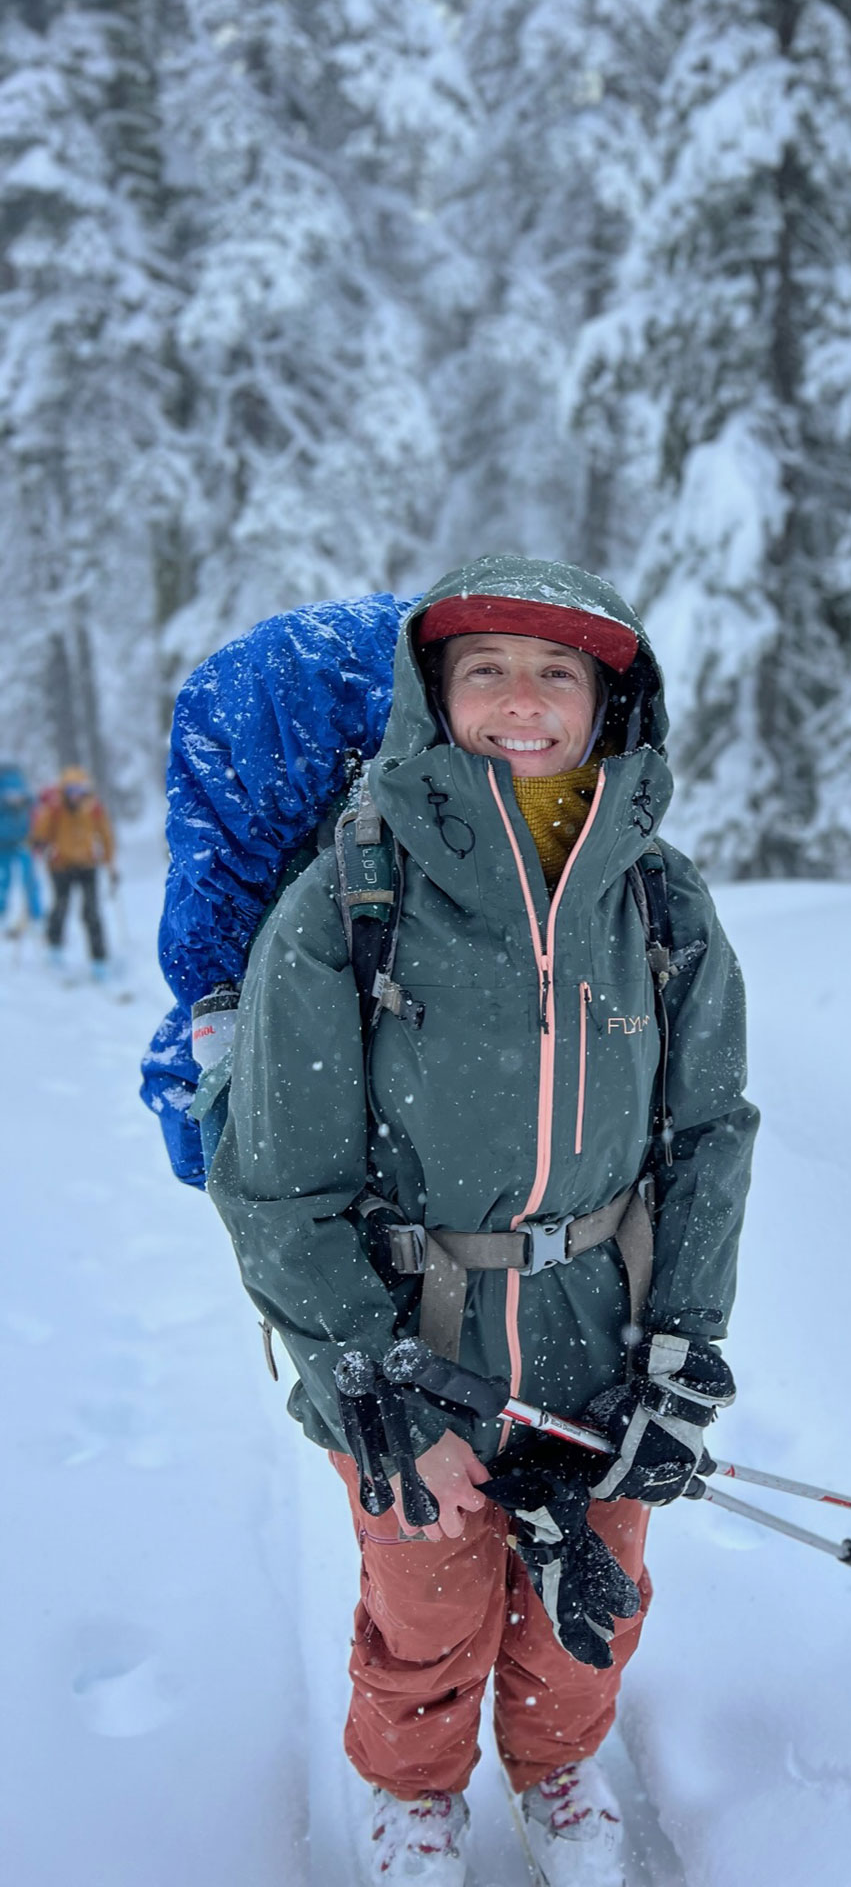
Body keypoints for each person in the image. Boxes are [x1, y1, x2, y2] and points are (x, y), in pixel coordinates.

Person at [207, 557, 757, 1887]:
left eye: (556, 672)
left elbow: (706, 1138)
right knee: (425, 1606)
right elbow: (276, 1181)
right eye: (486, 670)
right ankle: (412, 1789)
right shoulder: (351, 902)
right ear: (431, 698)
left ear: (605, 705)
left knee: (592, 1603)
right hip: (409, 1352)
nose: (523, 700)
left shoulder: (657, 903)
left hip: (601, 1341)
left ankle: (558, 1767)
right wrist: (368, 1378)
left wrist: (682, 1351)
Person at [30, 765, 115, 977]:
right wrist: (39, 843)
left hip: (87, 865)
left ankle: (99, 959)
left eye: (80, 790)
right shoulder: (55, 808)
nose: (76, 796)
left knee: (91, 912)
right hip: (60, 866)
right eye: (71, 791)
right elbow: (40, 830)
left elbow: (105, 834)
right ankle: (54, 947)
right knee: (61, 906)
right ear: (64, 791)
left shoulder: (93, 808)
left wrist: (109, 861)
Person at [0, 760, 45, 938]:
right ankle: (34, 912)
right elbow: (34, 807)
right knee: (25, 879)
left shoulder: (14, 783)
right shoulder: (21, 784)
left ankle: (29, 912)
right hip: (18, 842)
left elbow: (35, 809)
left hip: (14, 842)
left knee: (13, 879)